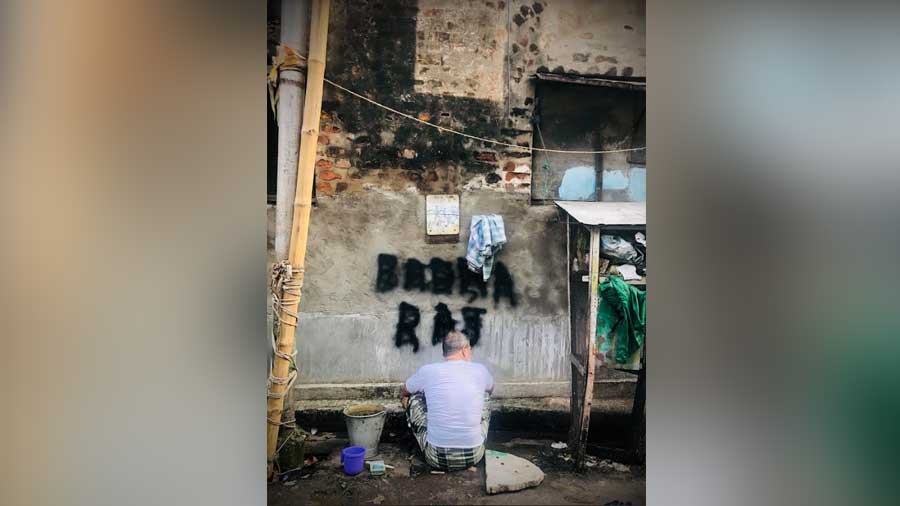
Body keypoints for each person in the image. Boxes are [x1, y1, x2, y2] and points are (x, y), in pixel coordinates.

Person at [401, 330, 494, 471]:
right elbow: (491, 388)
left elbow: (405, 390)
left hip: (435, 457)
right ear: (464, 350)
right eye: (470, 349)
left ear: (445, 352)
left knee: (413, 398)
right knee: (485, 396)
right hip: (474, 455)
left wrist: (406, 400)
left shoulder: (428, 371)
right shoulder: (480, 370)